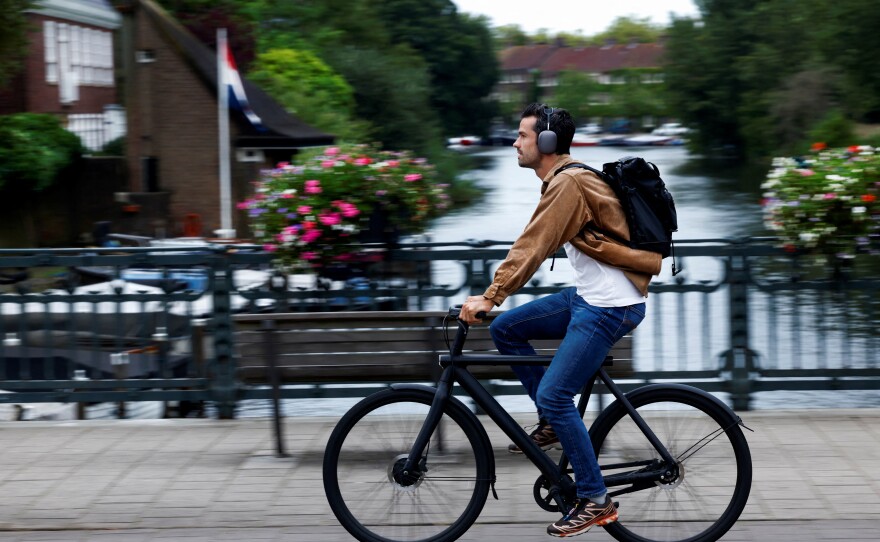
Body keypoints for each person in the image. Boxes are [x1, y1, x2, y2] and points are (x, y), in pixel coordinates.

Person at [459, 103, 662, 538]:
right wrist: (496, 306)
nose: (515, 142)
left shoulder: (568, 183)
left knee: (554, 393)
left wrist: (490, 296)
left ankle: (595, 499)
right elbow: (536, 244)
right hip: (589, 297)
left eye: (522, 136)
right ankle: (554, 424)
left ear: (547, 142)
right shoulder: (564, 180)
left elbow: (530, 247)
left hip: (610, 305)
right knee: (506, 329)